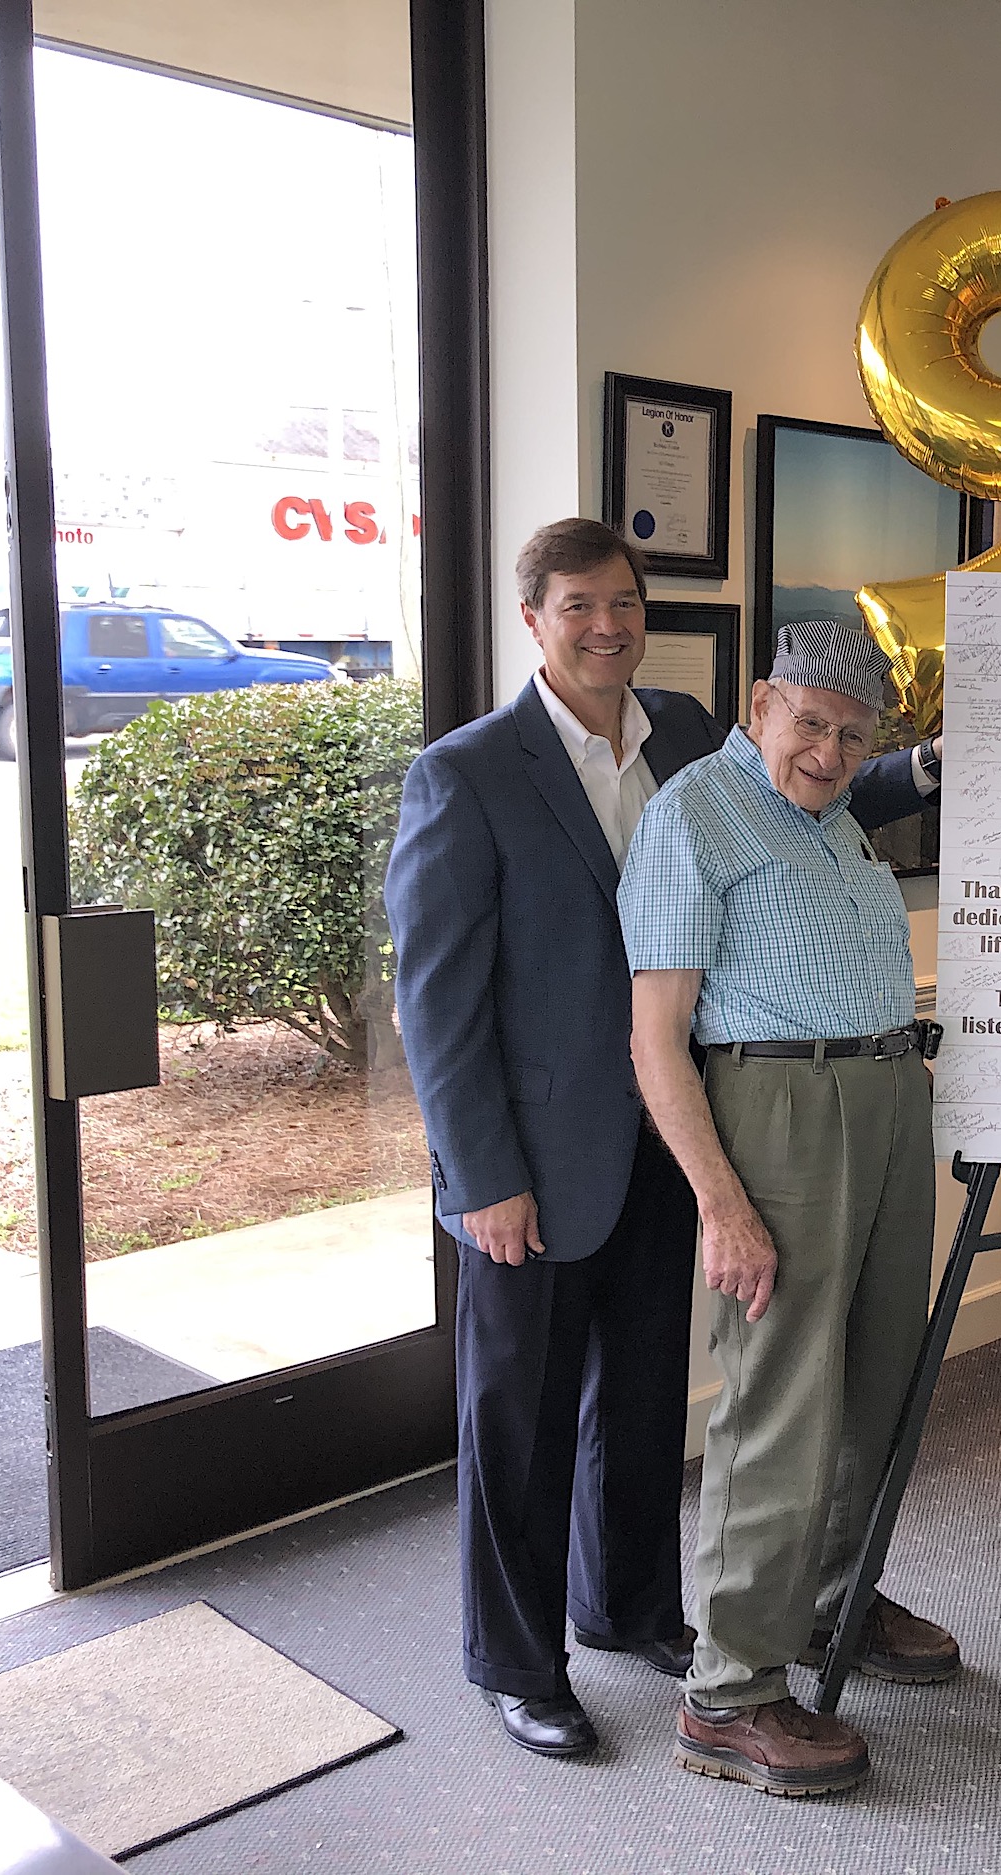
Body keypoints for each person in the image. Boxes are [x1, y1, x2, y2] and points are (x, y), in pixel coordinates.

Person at [385, 519, 939, 1760]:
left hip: (677, 1138)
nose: (606, 625)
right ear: (533, 619)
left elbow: (802, 784)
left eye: (623, 601)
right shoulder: (469, 772)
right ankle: (516, 1660)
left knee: (641, 1402)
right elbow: (437, 1000)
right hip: (538, 1149)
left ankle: (626, 1605)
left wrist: (927, 767)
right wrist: (480, 1174)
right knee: (518, 1416)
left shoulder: (689, 732)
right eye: (577, 604)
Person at [620, 619, 957, 1799]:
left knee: (876, 1380)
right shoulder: (694, 816)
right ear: (760, 703)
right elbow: (655, 1038)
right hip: (775, 1111)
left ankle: (829, 1606)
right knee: (778, 1399)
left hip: (880, 1099)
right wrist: (722, 1203)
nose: (827, 750)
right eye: (809, 722)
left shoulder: (835, 821)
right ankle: (729, 1692)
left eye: (851, 734)